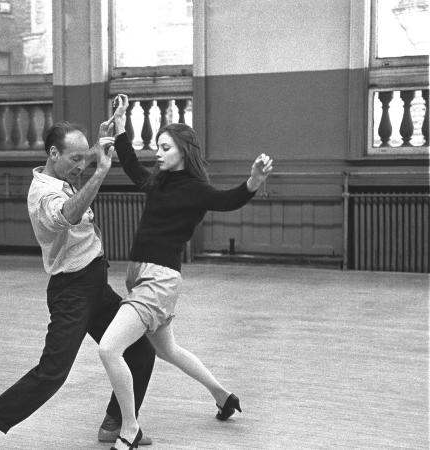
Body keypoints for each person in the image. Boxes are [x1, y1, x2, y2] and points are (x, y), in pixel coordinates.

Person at [0, 121, 157, 449]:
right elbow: (68, 214)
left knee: (140, 350)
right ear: (53, 154)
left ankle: (114, 423)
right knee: (53, 372)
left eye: (84, 158)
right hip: (72, 291)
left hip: (95, 284)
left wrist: (100, 141)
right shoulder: (44, 193)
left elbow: (83, 156)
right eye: (75, 159)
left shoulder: (60, 175)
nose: (82, 165)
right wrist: (100, 173)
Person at [97, 94, 274, 449]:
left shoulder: (196, 189)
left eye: (165, 147)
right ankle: (223, 396)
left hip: (158, 282)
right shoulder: (159, 182)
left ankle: (130, 430)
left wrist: (254, 180)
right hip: (143, 277)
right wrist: (120, 127)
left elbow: (229, 200)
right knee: (169, 351)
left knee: (108, 349)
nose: (158, 153)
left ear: (182, 151)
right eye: (158, 147)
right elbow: (131, 166)